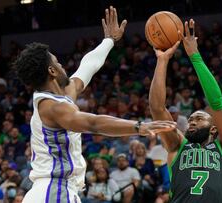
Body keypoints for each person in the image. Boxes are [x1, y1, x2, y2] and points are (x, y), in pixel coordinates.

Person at [16, 6, 176, 203]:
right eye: (57, 63)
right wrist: (139, 127)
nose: (62, 65)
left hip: (53, 191)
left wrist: (109, 41)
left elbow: (87, 67)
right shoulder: (52, 107)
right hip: (54, 191)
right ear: (52, 71)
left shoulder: (61, 96)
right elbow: (93, 124)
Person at [149, 19, 222, 203]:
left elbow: (217, 104)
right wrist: (162, 61)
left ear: (214, 128)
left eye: (199, 119)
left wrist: (194, 56)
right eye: (190, 119)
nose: (192, 121)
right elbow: (157, 108)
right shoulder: (177, 146)